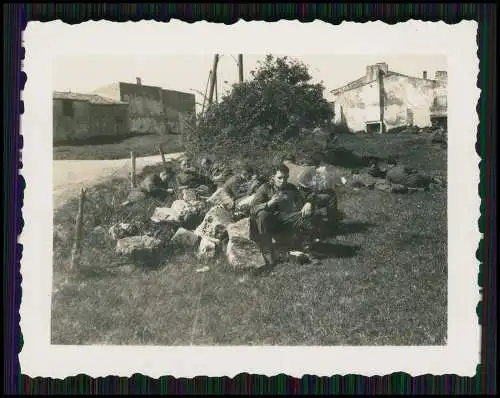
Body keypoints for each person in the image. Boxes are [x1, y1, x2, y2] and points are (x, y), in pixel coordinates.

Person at [249, 163, 315, 266]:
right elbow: (252, 208)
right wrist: (269, 203)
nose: (283, 180)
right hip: (271, 222)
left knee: (306, 214)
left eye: (285, 177)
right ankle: (268, 252)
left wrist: (308, 202)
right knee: (262, 214)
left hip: (286, 219)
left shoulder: (291, 187)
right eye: (279, 178)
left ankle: (308, 251)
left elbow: (305, 196)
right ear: (273, 177)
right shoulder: (265, 188)